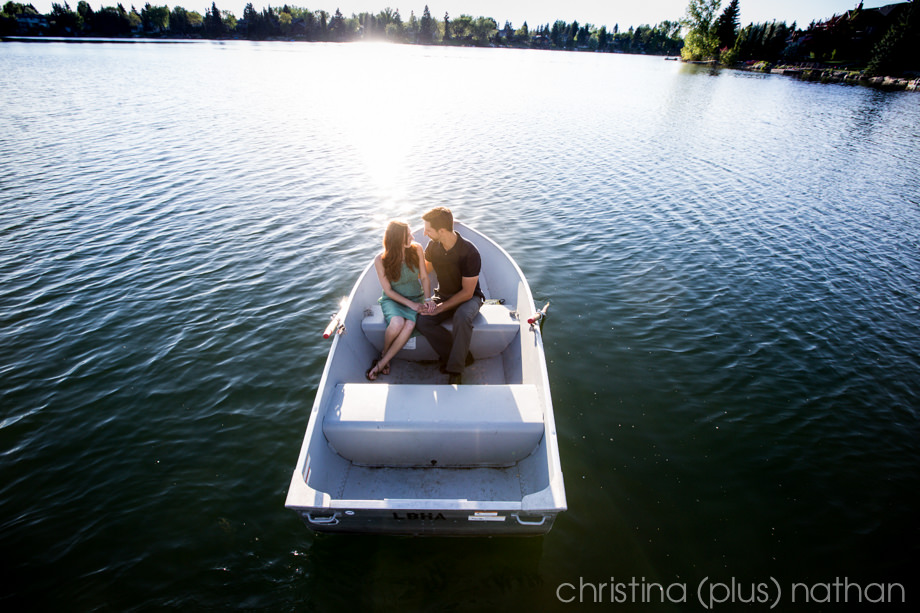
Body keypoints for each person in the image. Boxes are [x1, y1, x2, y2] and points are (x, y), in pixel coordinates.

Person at [417, 207, 484, 385]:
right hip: (444, 294)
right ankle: (462, 357)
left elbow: (467, 292)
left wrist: (440, 308)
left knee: (461, 317)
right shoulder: (432, 246)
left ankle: (455, 369)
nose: (424, 233)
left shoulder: (470, 253)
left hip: (470, 298)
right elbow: (424, 271)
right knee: (423, 320)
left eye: (428, 230)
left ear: (442, 231)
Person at [366, 220, 431, 381]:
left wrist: (428, 299)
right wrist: (412, 305)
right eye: (408, 234)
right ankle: (385, 354)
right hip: (393, 300)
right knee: (397, 324)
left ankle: (382, 362)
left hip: (416, 296)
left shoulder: (417, 249)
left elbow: (424, 277)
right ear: (396, 239)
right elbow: (388, 290)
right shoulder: (380, 260)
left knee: (409, 324)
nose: (412, 236)